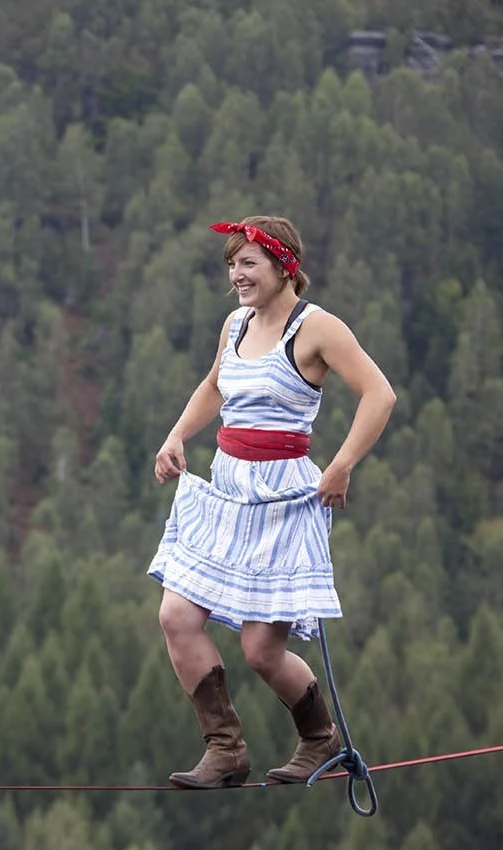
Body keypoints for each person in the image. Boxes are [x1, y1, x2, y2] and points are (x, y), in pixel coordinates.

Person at [147, 216, 396, 789]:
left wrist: (341, 465)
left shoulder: (318, 329)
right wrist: (177, 434)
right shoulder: (235, 325)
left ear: (284, 267)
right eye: (232, 264)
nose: (237, 274)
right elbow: (215, 385)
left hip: (284, 498)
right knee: (176, 616)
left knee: (261, 649)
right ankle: (225, 748)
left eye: (248, 263)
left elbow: (380, 395)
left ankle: (319, 738)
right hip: (228, 489)